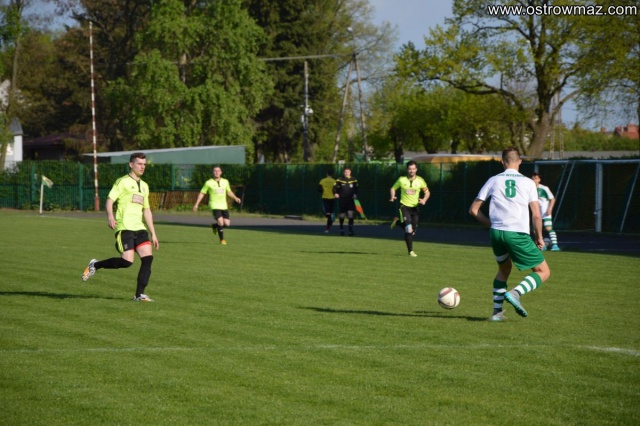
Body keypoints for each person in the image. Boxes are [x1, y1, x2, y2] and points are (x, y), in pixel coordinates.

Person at [469, 147, 551, 321]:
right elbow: (536, 215)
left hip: (496, 233)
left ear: (502, 162)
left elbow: (474, 210)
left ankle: (497, 314)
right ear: (520, 161)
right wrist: (539, 237)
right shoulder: (528, 183)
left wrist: (491, 225)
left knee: (504, 269)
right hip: (517, 233)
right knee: (543, 271)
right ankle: (516, 293)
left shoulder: (493, 180)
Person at [81, 152, 160, 302]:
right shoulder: (122, 182)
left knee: (148, 259)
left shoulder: (145, 186)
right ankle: (95, 265)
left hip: (140, 228)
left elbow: (147, 210)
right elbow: (110, 200)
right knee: (127, 262)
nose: (142, 167)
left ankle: (139, 295)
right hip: (125, 228)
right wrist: (110, 217)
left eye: (144, 164)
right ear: (131, 164)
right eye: (139, 164)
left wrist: (153, 233)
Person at [389, 160, 430, 257]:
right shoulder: (401, 180)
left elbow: (427, 192)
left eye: (413, 169)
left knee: (412, 232)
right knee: (408, 229)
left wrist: (424, 200)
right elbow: (393, 188)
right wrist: (392, 196)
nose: (412, 171)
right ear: (407, 170)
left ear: (416, 169)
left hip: (415, 208)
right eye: (410, 169)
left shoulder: (420, 181)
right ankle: (410, 251)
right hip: (404, 206)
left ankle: (397, 222)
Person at [192, 165, 241, 245]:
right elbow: (202, 193)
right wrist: (196, 204)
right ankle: (222, 240)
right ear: (212, 172)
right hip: (214, 205)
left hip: (224, 205)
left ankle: (215, 226)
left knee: (227, 224)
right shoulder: (208, 182)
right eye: (215, 171)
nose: (216, 172)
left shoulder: (225, 181)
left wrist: (235, 197)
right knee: (220, 222)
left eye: (218, 171)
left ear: (221, 172)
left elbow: (229, 192)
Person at [532, 172, 560, 251]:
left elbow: (552, 199)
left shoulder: (544, 188)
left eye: (536, 178)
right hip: (536, 212)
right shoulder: (530, 189)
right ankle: (541, 246)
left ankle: (555, 245)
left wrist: (549, 209)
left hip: (545, 212)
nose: (534, 180)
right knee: (535, 230)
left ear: (539, 180)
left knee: (548, 228)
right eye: (533, 178)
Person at [333, 167, 358, 236]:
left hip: (350, 199)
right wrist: (335, 193)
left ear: (350, 172)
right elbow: (334, 188)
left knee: (350, 214)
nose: (346, 173)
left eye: (347, 172)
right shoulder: (339, 179)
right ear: (343, 172)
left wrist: (355, 194)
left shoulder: (354, 179)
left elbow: (356, 188)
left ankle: (350, 230)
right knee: (342, 215)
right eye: (345, 172)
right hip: (342, 199)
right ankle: (341, 229)